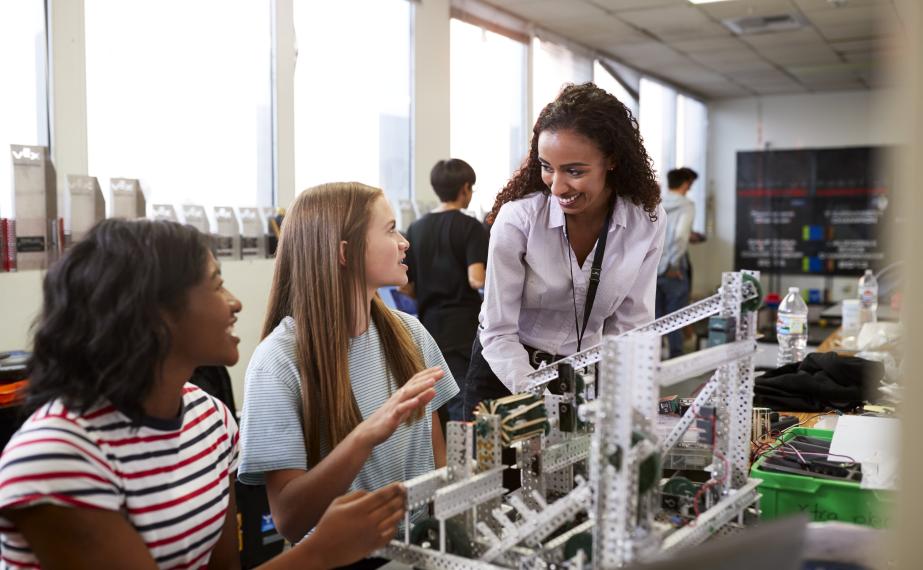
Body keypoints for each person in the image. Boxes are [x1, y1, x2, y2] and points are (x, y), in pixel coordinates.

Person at [0, 218, 406, 569]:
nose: (235, 303)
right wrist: (321, 551)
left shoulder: (207, 418)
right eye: (216, 286)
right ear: (155, 313)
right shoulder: (56, 457)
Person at [238, 183, 458, 565]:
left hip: (425, 550)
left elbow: (436, 456)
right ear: (345, 252)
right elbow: (290, 520)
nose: (404, 242)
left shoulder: (411, 334)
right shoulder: (277, 361)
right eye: (390, 230)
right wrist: (367, 435)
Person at [462, 82, 666, 418]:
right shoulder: (519, 220)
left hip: (585, 374)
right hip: (507, 372)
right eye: (546, 167)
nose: (557, 186)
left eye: (574, 171)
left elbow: (630, 326)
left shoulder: (646, 219)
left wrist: (625, 399)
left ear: (611, 160)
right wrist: (539, 399)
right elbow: (498, 330)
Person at [403, 159, 489, 422]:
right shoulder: (471, 227)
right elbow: (476, 279)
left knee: (437, 402)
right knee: (464, 404)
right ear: (465, 188)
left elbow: (405, 286)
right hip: (463, 329)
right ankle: (465, 462)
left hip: (429, 327)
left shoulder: (415, 229)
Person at [657, 167, 697, 358]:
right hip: (672, 267)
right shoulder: (686, 205)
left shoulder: (656, 202)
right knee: (676, 317)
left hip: (652, 266)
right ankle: (676, 358)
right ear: (686, 183)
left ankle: (651, 358)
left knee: (653, 318)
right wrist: (674, 264)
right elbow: (680, 236)